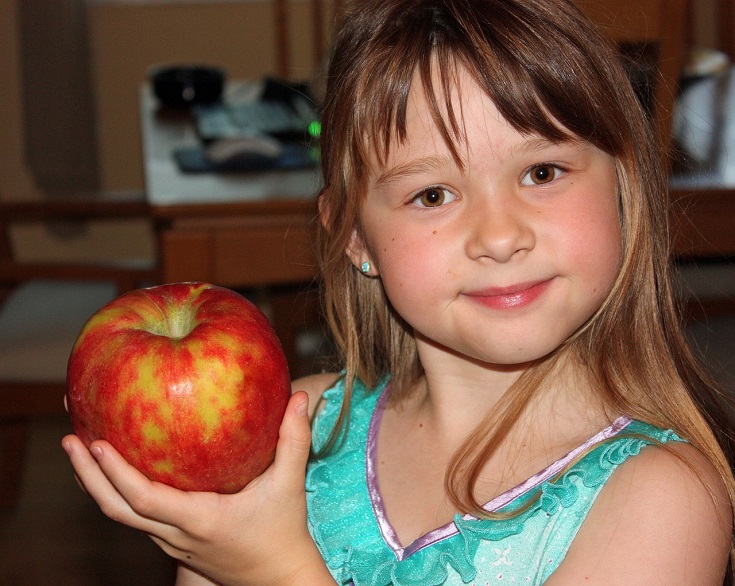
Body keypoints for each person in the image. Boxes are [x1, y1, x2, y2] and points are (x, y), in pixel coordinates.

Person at [63, 0, 735, 583]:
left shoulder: (665, 499)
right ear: (354, 236)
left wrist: (271, 570)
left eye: (541, 171)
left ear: (622, 190)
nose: (498, 236)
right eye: (432, 194)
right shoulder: (292, 432)